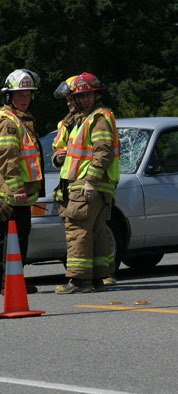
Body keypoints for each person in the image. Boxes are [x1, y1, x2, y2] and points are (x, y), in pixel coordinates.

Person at [54, 72, 120, 294]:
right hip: (93, 185)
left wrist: (90, 180)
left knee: (78, 230)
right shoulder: (82, 119)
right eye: (80, 97)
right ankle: (100, 276)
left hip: (86, 184)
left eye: (87, 96)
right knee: (96, 231)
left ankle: (80, 281)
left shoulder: (97, 118)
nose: (83, 100)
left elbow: (103, 151)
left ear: (96, 95)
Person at [0, 69, 45, 294]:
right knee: (13, 238)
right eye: (19, 95)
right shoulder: (9, 122)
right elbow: (8, 157)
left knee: (18, 236)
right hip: (11, 194)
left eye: (27, 95)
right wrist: (16, 188)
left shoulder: (22, 119)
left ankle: (13, 280)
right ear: (9, 97)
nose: (24, 99)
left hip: (21, 194)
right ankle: (9, 282)